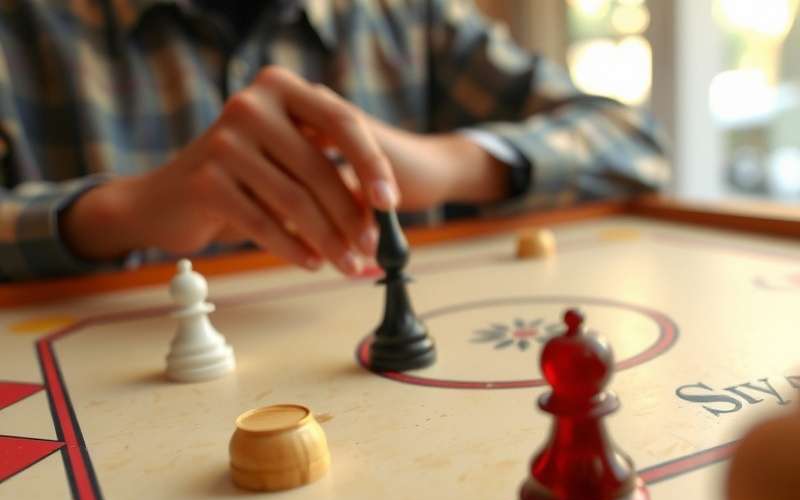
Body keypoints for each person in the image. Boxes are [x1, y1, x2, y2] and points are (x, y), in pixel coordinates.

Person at [0, 0, 669, 281]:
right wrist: (119, 212)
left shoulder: (405, 15)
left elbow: (633, 142)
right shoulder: (23, 28)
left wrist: (451, 164)